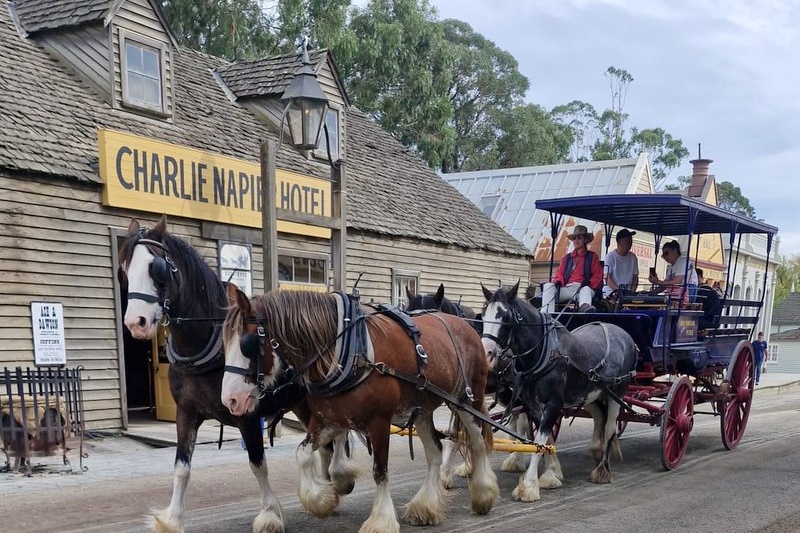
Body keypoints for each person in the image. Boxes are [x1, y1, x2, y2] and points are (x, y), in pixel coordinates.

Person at [542, 225, 603, 313]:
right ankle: (547, 315)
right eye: (574, 238)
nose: (576, 240)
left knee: (585, 290)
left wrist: (589, 283)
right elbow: (559, 274)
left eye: (579, 237)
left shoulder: (592, 256)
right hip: (567, 289)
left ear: (585, 240)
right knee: (548, 286)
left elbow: (597, 276)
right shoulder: (566, 258)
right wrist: (558, 281)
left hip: (584, 289)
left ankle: (585, 310)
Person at [648, 240, 698, 304]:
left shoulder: (682, 261)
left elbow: (677, 282)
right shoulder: (670, 267)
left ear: (675, 251)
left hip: (688, 290)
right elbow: (665, 284)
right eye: (663, 255)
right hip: (676, 292)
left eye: (666, 253)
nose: (664, 257)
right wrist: (652, 292)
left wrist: (658, 282)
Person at [602, 228, 639, 298]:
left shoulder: (633, 257)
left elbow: (635, 278)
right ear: (618, 242)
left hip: (627, 294)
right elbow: (607, 278)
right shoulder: (610, 257)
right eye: (627, 240)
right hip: (611, 294)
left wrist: (632, 293)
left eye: (630, 240)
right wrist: (618, 291)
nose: (630, 242)